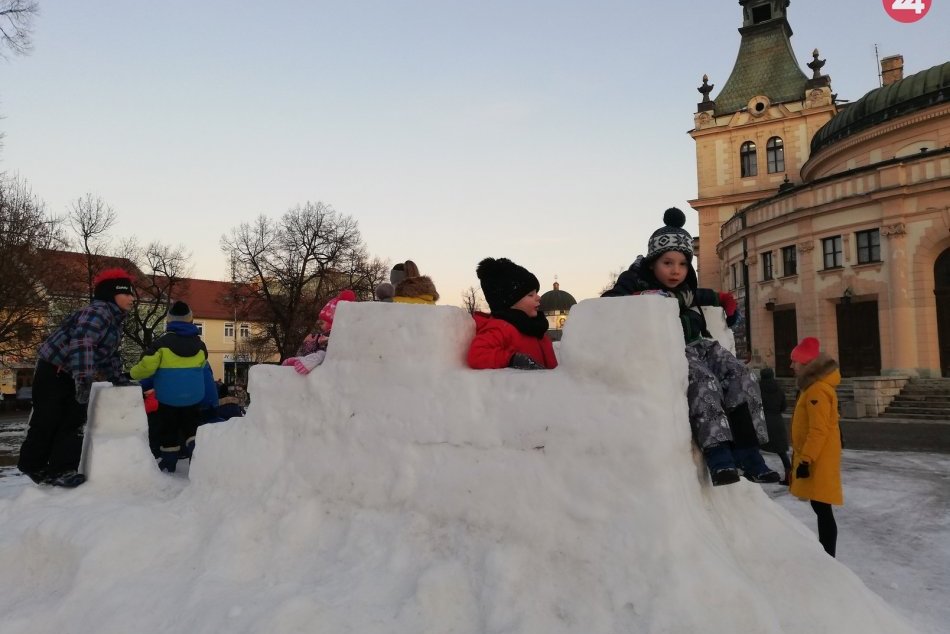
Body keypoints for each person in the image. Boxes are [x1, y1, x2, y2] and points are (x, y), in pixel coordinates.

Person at [602, 208, 779, 486]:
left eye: (683, 264)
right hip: (674, 350)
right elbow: (609, 301)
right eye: (668, 263)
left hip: (700, 343)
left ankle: (749, 454)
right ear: (652, 264)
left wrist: (725, 301)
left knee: (741, 376)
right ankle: (719, 458)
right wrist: (642, 296)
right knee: (704, 382)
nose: (676, 271)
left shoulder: (685, 289)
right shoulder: (634, 280)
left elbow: (704, 295)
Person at [17, 268, 136, 488]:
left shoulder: (115, 321)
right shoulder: (98, 312)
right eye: (127, 293)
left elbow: (109, 354)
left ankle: (62, 469)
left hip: (72, 373)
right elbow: (83, 343)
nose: (132, 298)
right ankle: (33, 465)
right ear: (111, 295)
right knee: (48, 418)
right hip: (53, 370)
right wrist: (84, 379)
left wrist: (118, 378)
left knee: (72, 421)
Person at [130, 301, 217, 473]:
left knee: (168, 429)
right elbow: (202, 367)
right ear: (191, 320)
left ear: (169, 321)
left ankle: (169, 462)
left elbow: (145, 368)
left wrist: (131, 374)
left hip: (168, 399)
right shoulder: (200, 346)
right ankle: (198, 459)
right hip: (193, 397)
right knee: (192, 428)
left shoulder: (160, 345)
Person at [789, 336, 842, 557]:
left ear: (805, 364)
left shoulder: (816, 390)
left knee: (822, 508)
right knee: (821, 507)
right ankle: (827, 552)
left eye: (794, 361)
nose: (791, 365)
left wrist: (806, 460)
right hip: (819, 455)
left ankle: (828, 554)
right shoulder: (814, 388)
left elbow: (818, 429)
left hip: (818, 458)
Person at [468, 257, 557, 370]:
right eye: (530, 295)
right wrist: (511, 359)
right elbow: (477, 355)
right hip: (523, 387)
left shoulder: (536, 329)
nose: (538, 298)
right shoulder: (501, 328)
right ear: (510, 303)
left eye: (536, 293)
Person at [282, 290, 357, 375]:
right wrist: (307, 344)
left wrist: (317, 354)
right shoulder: (321, 336)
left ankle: (307, 359)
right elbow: (316, 348)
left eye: (323, 322)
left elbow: (328, 352)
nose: (319, 325)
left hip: (329, 372)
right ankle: (301, 359)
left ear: (334, 323)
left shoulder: (336, 337)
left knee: (321, 353)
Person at [759, 367, 792, 484]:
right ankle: (789, 477)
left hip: (761, 421)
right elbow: (783, 407)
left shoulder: (758, 388)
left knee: (754, 447)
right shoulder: (779, 389)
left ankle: (758, 472)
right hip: (777, 421)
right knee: (781, 451)